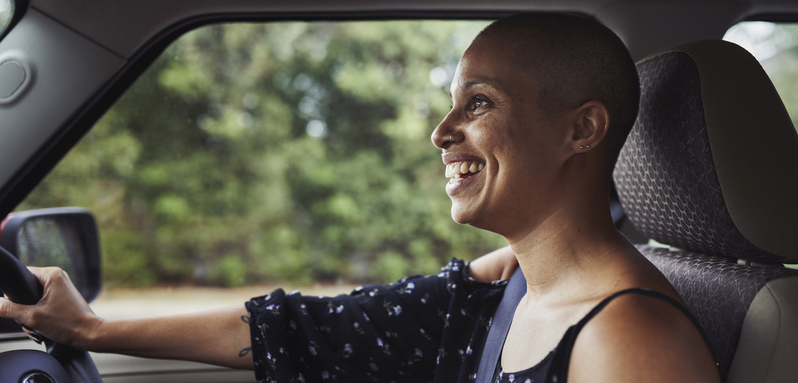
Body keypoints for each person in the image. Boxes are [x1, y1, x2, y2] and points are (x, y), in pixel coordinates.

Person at [0, 13, 720, 383]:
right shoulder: (512, 279)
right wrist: (91, 331)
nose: (442, 132)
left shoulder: (629, 340)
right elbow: (307, 329)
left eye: (478, 102)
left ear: (581, 129)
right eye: (450, 104)